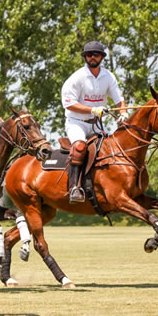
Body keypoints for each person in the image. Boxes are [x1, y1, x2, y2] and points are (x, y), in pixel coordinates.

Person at [60, 41, 126, 203]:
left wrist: (123, 113)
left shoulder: (108, 76)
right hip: (77, 122)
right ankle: (74, 187)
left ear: (102, 57)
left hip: (97, 124)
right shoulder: (77, 77)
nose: (92, 57)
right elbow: (68, 103)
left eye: (96, 54)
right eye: (89, 55)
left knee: (114, 148)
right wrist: (92, 110)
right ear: (85, 57)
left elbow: (119, 99)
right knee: (80, 147)